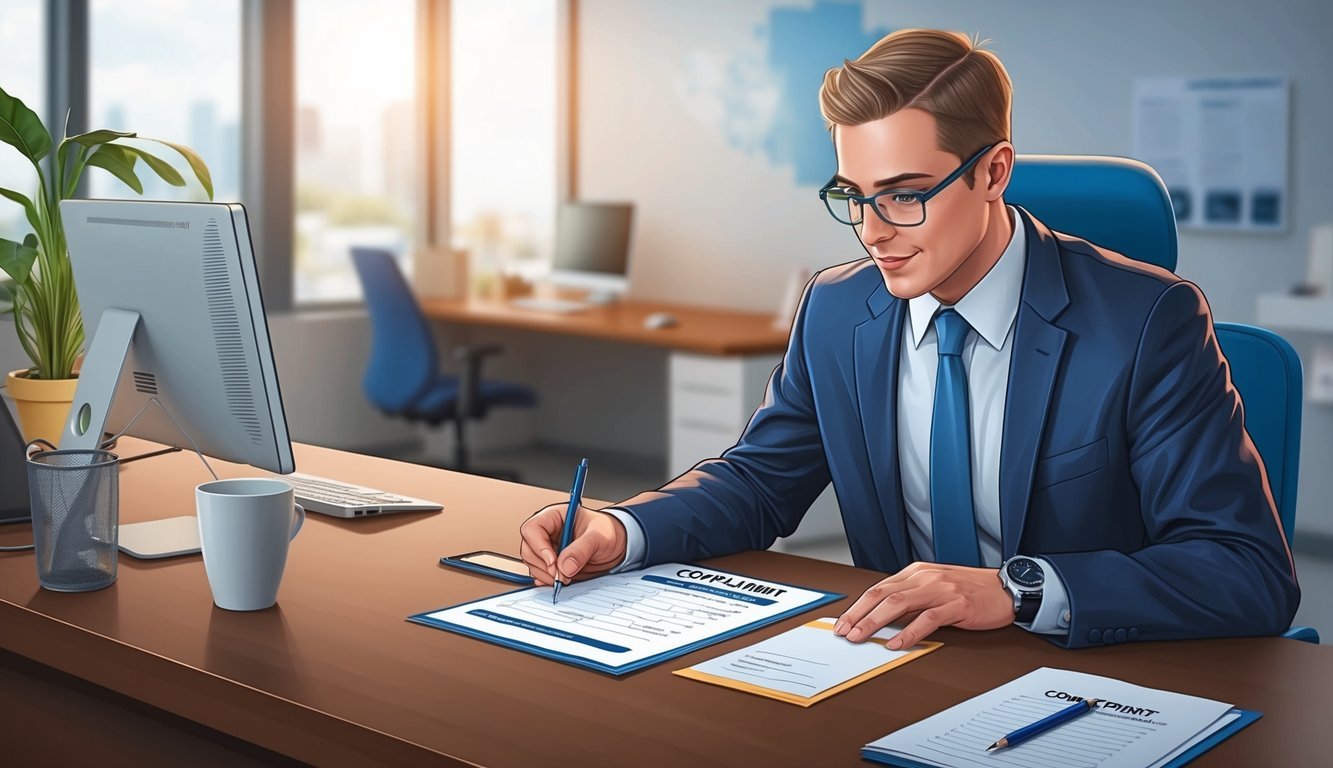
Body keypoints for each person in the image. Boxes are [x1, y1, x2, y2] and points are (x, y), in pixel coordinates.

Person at [519, 28, 1299, 650]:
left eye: (902, 196)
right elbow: (759, 482)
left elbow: (1245, 572)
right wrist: (622, 528)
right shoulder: (835, 308)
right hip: (898, 663)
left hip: (1080, 672)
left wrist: (1016, 590)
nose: (871, 233)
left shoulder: (1145, 322)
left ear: (993, 173)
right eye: (851, 197)